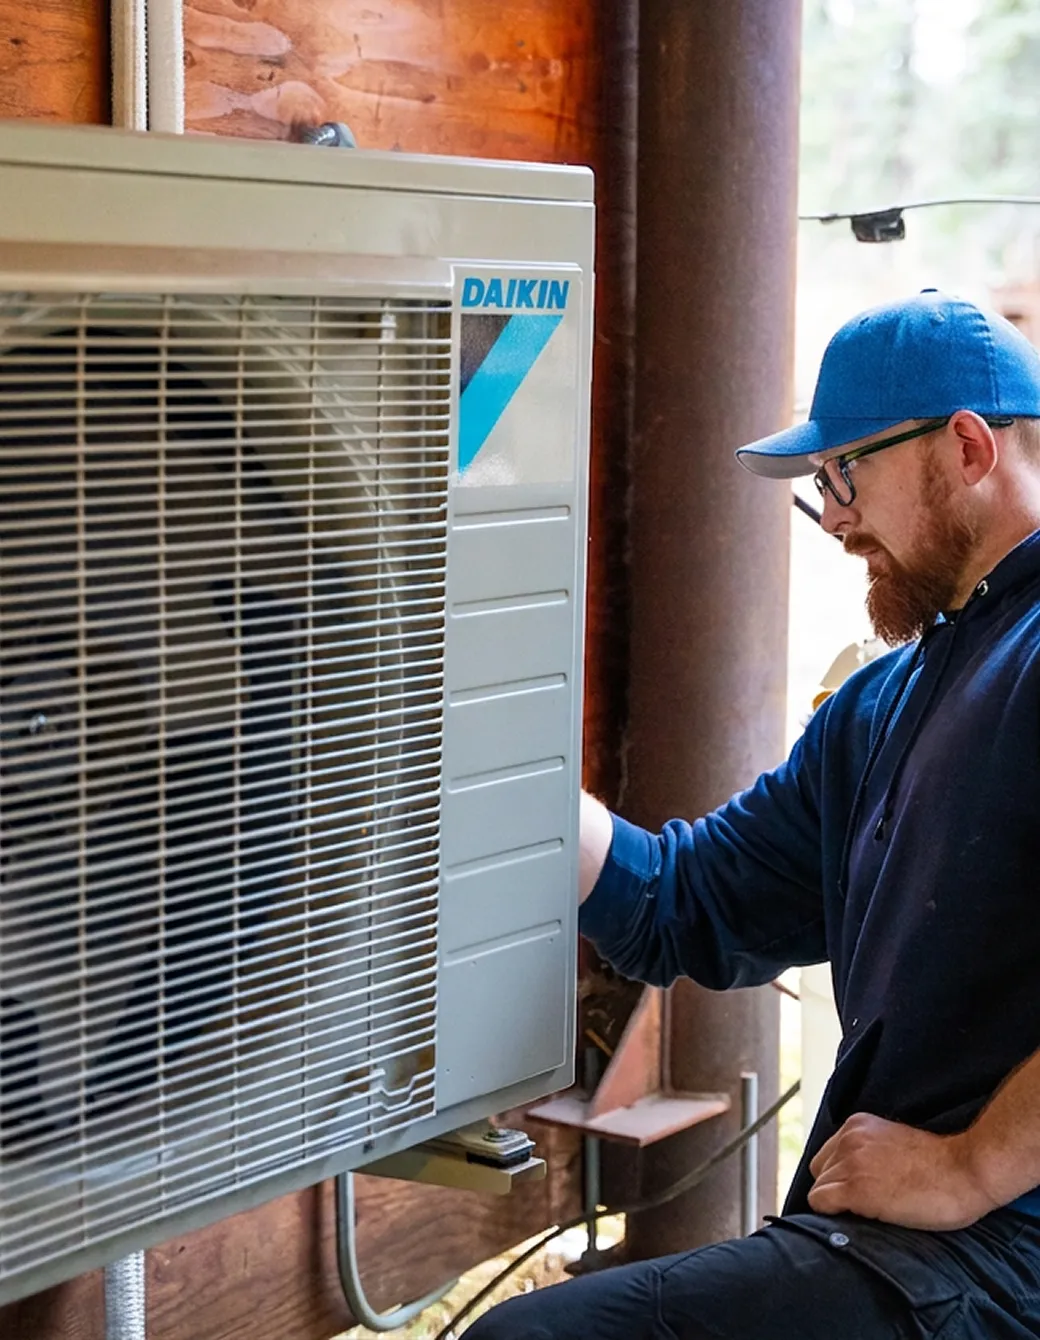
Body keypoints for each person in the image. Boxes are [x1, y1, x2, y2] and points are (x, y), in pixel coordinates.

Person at [466, 291, 1040, 1338]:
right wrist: (502, 768)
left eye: (844, 472)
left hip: (1000, 1259)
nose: (833, 518)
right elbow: (683, 902)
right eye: (816, 487)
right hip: (892, 1247)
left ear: (964, 448)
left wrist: (969, 1166)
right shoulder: (880, 708)